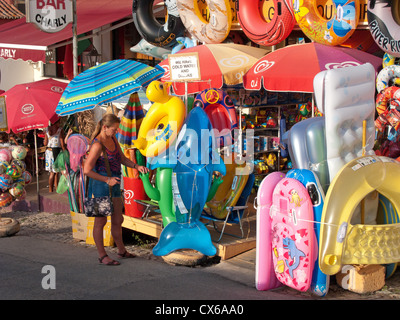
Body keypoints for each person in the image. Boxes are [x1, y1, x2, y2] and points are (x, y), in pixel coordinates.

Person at [84, 113, 149, 266]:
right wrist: (107, 179)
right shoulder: (97, 145)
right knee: (100, 222)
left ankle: (121, 250)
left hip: (114, 184)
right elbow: (87, 169)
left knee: (117, 219)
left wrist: (136, 166)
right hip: (100, 185)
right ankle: (102, 256)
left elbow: (121, 158)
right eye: (114, 129)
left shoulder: (112, 139)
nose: (116, 132)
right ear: (105, 128)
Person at [43, 120, 66, 192]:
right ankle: (56, 188)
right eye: (59, 122)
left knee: (51, 173)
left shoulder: (47, 130)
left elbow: (45, 143)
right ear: (57, 122)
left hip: (49, 152)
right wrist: (65, 151)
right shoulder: (60, 130)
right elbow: (62, 143)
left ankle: (50, 190)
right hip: (56, 152)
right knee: (57, 171)